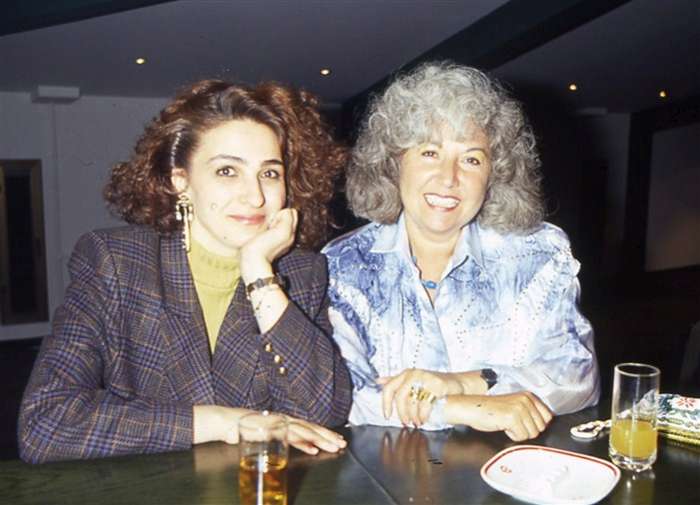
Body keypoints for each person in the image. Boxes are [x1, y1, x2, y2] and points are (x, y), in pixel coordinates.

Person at [19, 79, 352, 463]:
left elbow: (323, 413)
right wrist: (226, 422)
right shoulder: (116, 262)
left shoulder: (302, 273)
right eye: (227, 171)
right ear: (181, 182)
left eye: (270, 173)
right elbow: (45, 424)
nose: (256, 196)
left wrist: (260, 276)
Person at [323, 62, 600, 441]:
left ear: (494, 174)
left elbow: (578, 375)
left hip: (505, 471)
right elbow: (339, 394)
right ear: (394, 163)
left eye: (471, 159)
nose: (449, 178)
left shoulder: (537, 254)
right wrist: (459, 407)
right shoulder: (344, 264)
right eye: (430, 153)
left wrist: (467, 382)